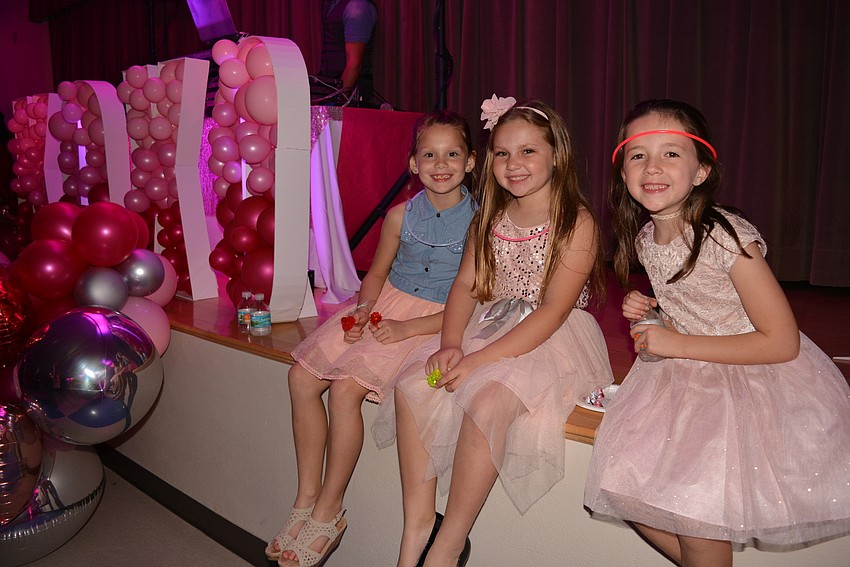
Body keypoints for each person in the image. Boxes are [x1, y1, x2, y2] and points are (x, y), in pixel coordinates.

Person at [584, 99, 850, 566]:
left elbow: (781, 342)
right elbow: (690, 312)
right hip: (683, 381)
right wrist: (653, 317)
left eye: (671, 153)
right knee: (621, 485)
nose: (653, 166)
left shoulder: (725, 235)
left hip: (747, 384)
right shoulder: (648, 238)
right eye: (637, 154)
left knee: (700, 522)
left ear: (701, 170)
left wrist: (675, 340)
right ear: (622, 172)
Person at [373, 96, 615, 567]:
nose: (514, 164)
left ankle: (448, 544)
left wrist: (477, 360)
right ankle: (418, 526)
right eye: (502, 153)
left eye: (528, 151)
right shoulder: (489, 215)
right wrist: (450, 344)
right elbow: (465, 284)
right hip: (490, 324)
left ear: (556, 154)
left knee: (486, 400)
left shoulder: (574, 222)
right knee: (413, 384)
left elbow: (551, 313)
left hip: (548, 338)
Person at [267, 109, 478, 567]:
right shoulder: (400, 215)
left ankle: (330, 509)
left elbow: (473, 300)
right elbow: (377, 272)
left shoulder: (481, 223)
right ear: (412, 164)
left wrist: (409, 328)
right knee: (301, 379)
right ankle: (306, 497)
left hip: (437, 320)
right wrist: (365, 310)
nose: (440, 165)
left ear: (471, 162)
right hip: (388, 304)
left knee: (345, 391)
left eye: (452, 154)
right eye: (429, 155)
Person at [313, 0, 377, 106]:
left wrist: (336, 102)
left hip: (350, 96)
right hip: (333, 87)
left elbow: (354, 65)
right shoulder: (334, 4)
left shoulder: (356, 7)